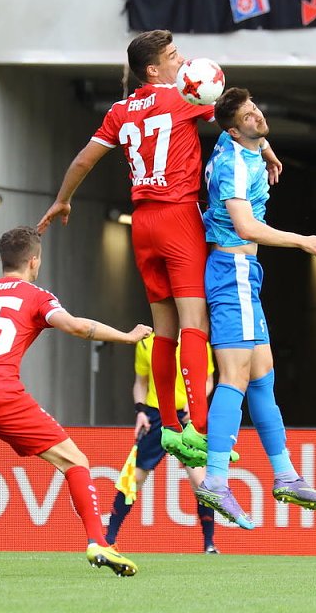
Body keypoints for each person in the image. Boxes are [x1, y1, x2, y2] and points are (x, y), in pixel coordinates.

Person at [37, 29, 282, 469]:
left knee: (164, 330)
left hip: (142, 223)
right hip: (178, 216)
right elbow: (235, 118)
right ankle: (199, 430)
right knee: (195, 324)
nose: (182, 61)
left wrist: (63, 199)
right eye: (173, 56)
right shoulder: (183, 97)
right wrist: (264, 147)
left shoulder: (119, 111)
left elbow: (84, 160)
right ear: (153, 69)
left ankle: (168, 425)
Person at [0, 226, 150, 577]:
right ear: (34, 261)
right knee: (75, 460)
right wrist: (127, 336)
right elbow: (75, 326)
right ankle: (98, 541)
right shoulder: (36, 296)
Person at [196, 87, 316, 528]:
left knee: (262, 376)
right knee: (234, 378)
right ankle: (215, 480)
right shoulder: (234, 165)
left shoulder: (239, 143)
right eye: (248, 116)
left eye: (256, 109)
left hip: (245, 276)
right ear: (234, 131)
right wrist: (301, 240)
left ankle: (286, 476)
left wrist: (269, 151)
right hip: (231, 272)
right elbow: (245, 226)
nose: (257, 116)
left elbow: (253, 136)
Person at [105, 334, 219, 553]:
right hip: (156, 416)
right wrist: (140, 411)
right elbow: (140, 383)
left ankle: (209, 544)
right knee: (134, 478)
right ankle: (109, 538)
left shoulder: (198, 342)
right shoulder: (146, 342)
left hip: (187, 418)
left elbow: (208, 381)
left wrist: (194, 403)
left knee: (201, 482)